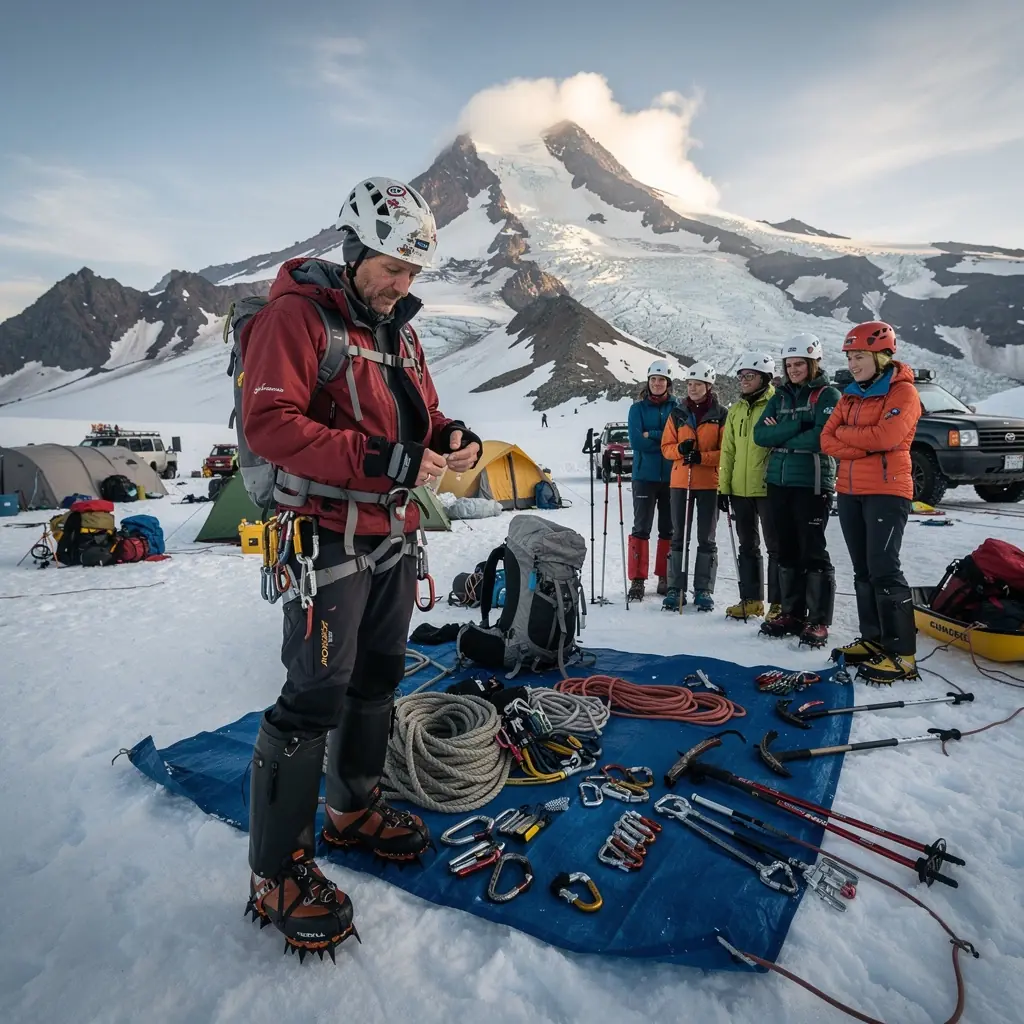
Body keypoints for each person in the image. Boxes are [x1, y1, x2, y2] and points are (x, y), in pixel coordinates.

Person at [239, 177, 482, 959]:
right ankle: (276, 872)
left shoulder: (400, 334)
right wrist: (386, 459)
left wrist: (451, 437)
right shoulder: (297, 318)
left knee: (377, 678)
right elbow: (270, 424)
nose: (402, 283)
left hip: (392, 534)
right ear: (353, 251)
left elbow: (423, 414)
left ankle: (351, 810)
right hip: (326, 538)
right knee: (315, 692)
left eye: (413, 272)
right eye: (391, 268)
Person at [821, 320, 921, 683]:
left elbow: (886, 437)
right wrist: (864, 444)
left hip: (886, 491)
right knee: (862, 569)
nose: (852, 364)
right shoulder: (849, 395)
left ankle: (902, 654)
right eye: (849, 357)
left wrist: (851, 437)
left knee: (884, 568)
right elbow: (826, 439)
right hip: (850, 491)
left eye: (859, 356)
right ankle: (874, 639)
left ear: (882, 356)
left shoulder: (903, 393)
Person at [753, 334, 841, 647]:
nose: (793, 370)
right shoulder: (780, 397)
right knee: (786, 548)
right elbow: (760, 435)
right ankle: (792, 613)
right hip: (779, 481)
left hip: (812, 482)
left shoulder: (827, 395)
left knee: (812, 549)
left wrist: (780, 434)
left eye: (799, 364)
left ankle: (818, 619)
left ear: (813, 363)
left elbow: (822, 437)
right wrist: (798, 426)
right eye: (789, 364)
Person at [717, 352, 780, 620]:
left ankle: (778, 603)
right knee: (747, 546)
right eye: (741, 376)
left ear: (764, 378)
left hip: (768, 487)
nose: (743, 380)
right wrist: (723, 487)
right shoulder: (736, 410)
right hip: (739, 489)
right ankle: (752, 600)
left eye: (749, 376)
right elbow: (728, 451)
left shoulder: (777, 403)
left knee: (776, 547)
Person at [660, 361, 725, 611]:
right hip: (681, 482)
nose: (693, 388)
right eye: (689, 384)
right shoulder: (677, 414)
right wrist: (681, 449)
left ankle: (703, 589)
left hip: (708, 482)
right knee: (679, 536)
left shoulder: (720, 414)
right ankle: (675, 588)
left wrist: (701, 457)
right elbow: (666, 448)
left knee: (706, 537)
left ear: (708, 386)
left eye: (698, 384)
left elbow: (725, 451)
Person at [626, 358, 677, 601]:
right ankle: (637, 579)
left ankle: (664, 576)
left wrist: (653, 434)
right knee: (641, 527)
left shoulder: (677, 407)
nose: (657, 383)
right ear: (648, 381)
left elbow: (679, 438)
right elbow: (636, 442)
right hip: (644, 477)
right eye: (653, 379)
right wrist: (666, 443)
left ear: (668, 383)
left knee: (668, 528)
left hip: (671, 477)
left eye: (661, 380)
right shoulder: (637, 409)